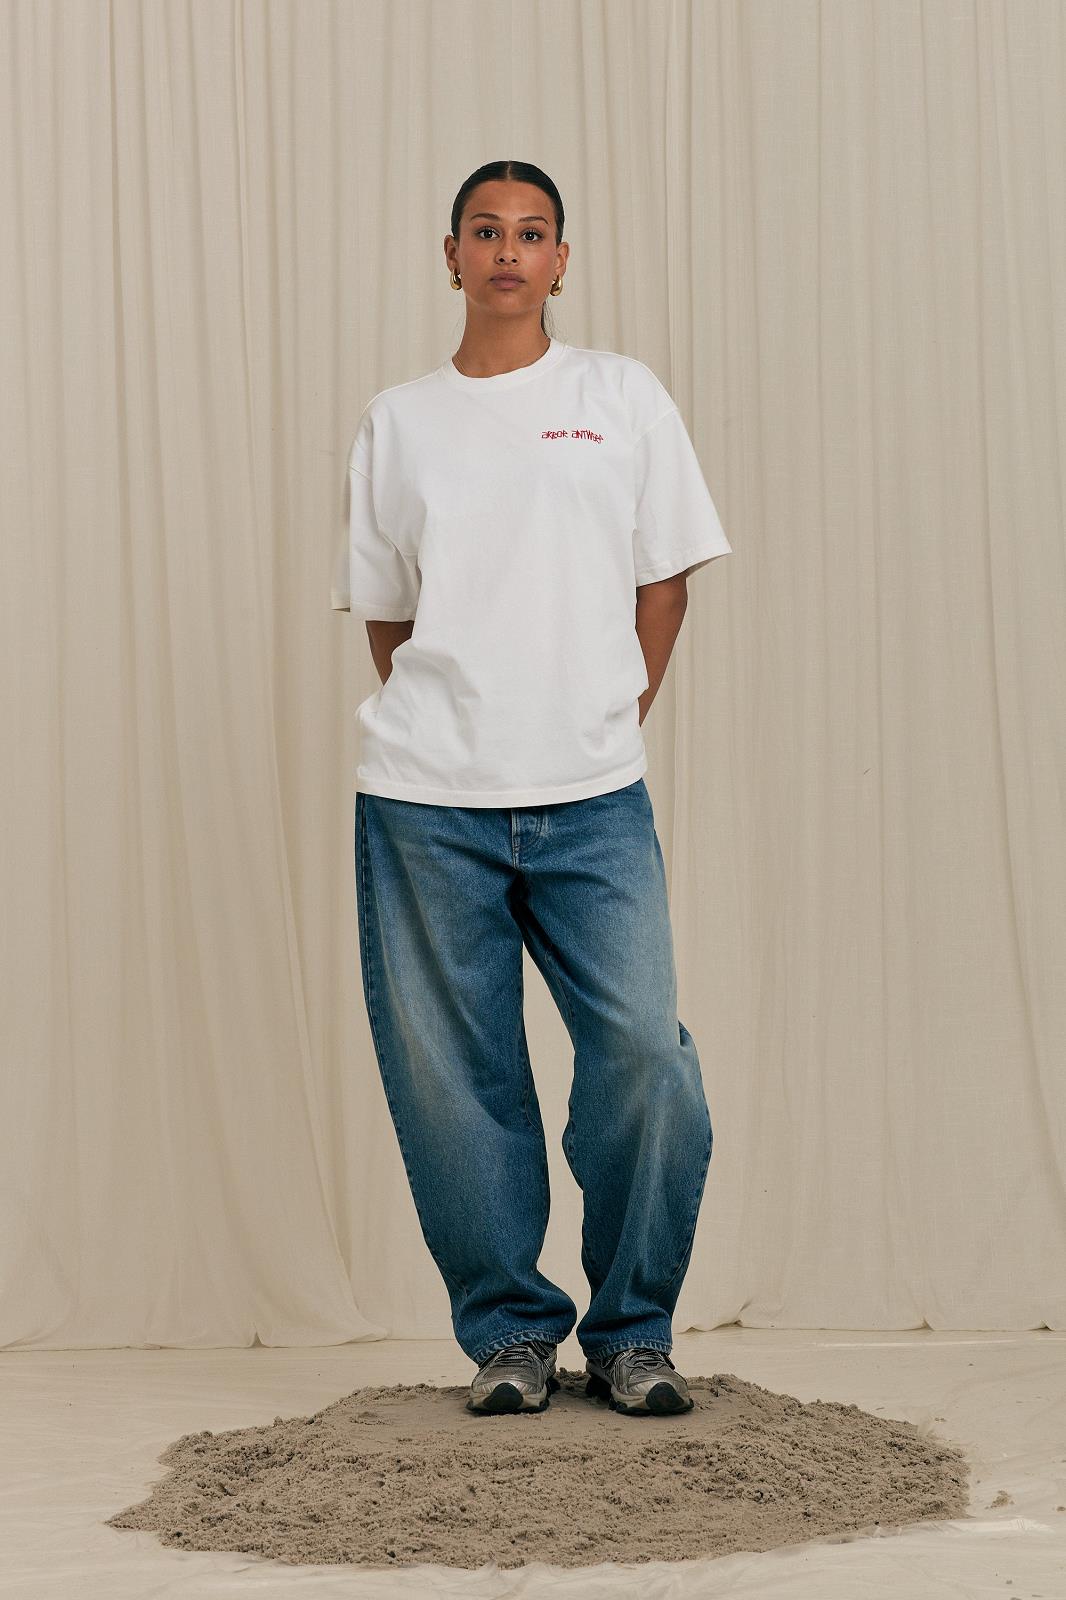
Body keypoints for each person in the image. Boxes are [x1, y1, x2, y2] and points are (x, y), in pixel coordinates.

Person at [331, 160, 732, 1418]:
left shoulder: (621, 397)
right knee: (456, 1083)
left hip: (591, 792)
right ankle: (509, 1331)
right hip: (422, 802)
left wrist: (612, 707)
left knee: (644, 1057)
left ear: (562, 259)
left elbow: (664, 578)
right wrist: (460, 723)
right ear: (449, 254)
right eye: (486, 230)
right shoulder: (399, 421)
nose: (508, 250)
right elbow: (388, 613)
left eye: (533, 232)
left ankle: (632, 1333)